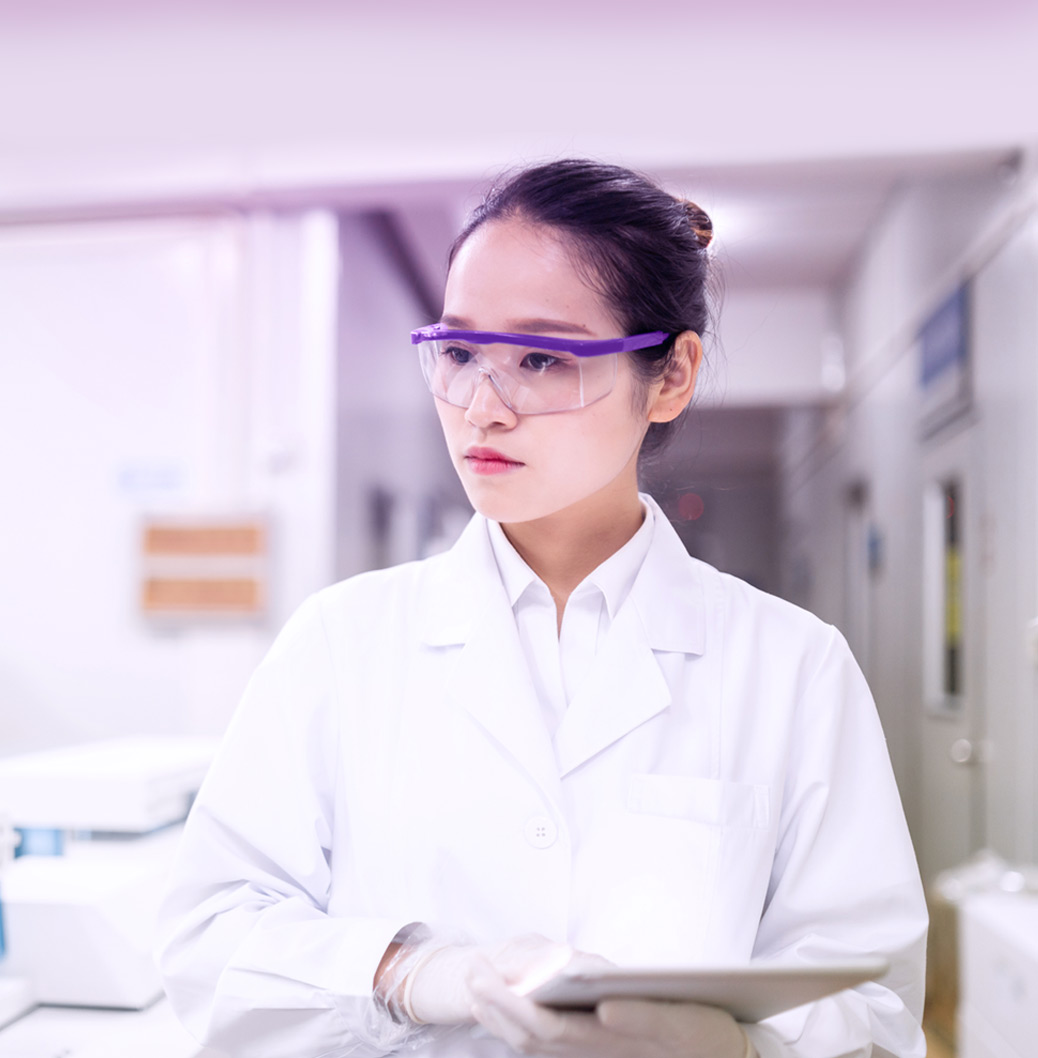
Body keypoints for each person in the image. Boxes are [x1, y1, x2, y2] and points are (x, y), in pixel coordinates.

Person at [155, 159, 928, 1058]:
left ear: (671, 376)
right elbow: (209, 940)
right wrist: (408, 973)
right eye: (458, 353)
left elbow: (875, 1009)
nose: (482, 407)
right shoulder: (339, 643)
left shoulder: (793, 666)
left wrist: (736, 1050)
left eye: (542, 359)